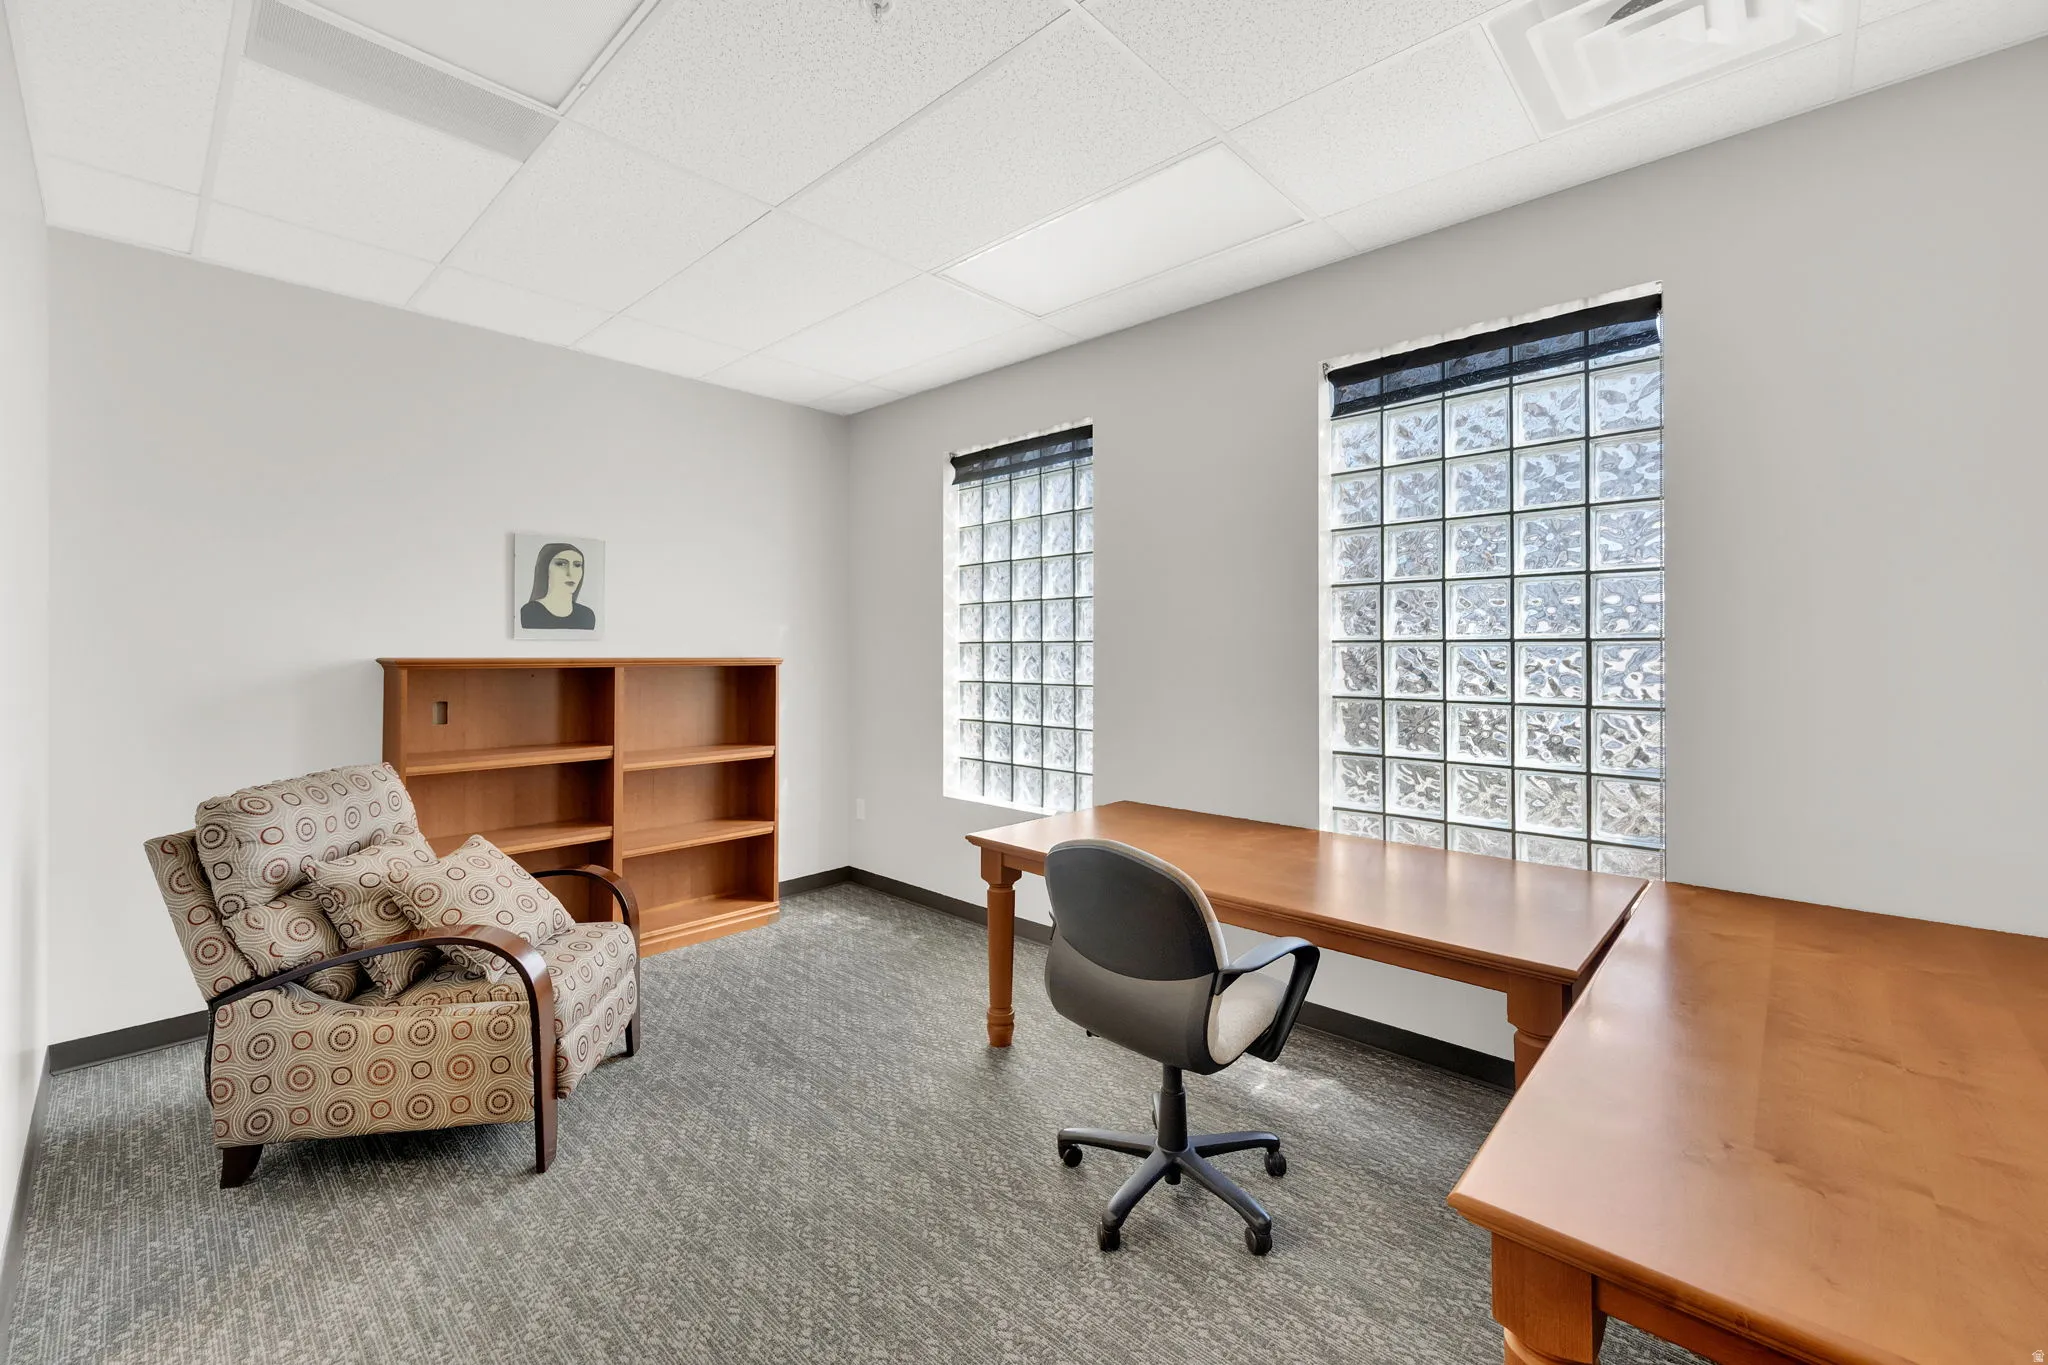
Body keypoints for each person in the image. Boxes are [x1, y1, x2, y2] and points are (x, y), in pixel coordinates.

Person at [520, 542, 596, 630]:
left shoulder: (586, 615)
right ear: (545, 568)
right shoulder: (529, 613)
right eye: (561, 564)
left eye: (577, 565)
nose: (570, 573)